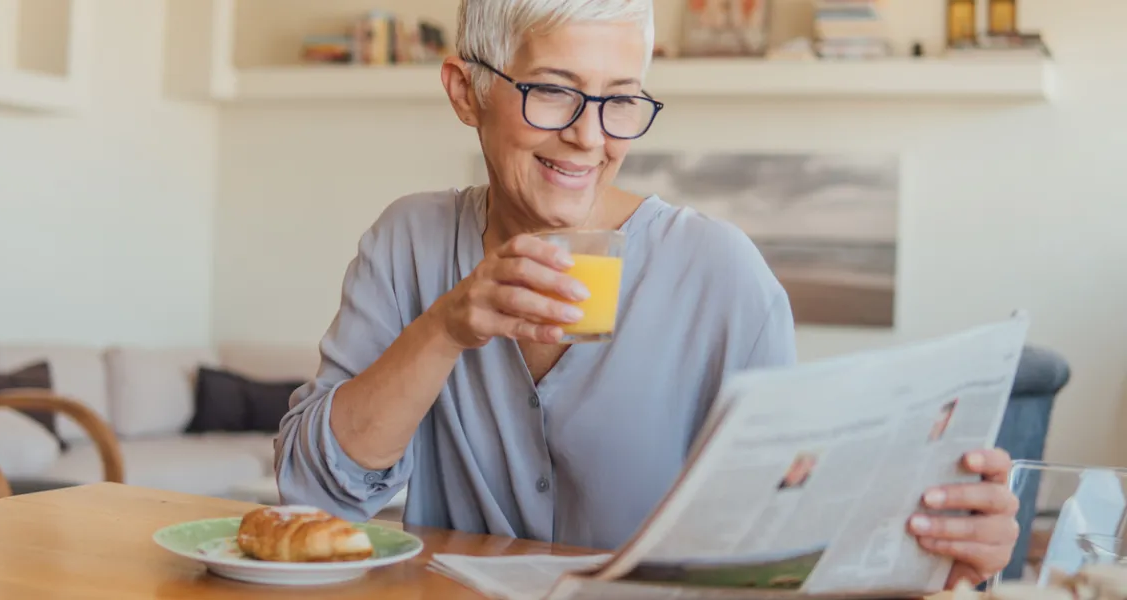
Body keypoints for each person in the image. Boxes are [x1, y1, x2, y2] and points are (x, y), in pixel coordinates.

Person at [275, 0, 1020, 588]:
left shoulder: (720, 274)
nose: (589, 137)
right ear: (465, 91)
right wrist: (444, 329)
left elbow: (784, 531)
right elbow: (316, 493)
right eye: (553, 93)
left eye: (620, 100)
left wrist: (937, 549)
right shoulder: (409, 242)